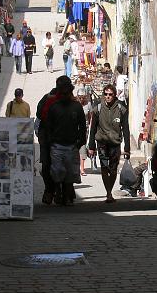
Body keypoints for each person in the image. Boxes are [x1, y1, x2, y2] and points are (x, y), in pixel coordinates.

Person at [42, 76, 87, 205]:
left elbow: (82, 126)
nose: (65, 95)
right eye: (63, 92)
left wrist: (80, 142)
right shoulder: (54, 107)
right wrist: (50, 142)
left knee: (70, 174)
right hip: (57, 145)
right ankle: (57, 192)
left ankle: (67, 196)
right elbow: (48, 126)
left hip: (72, 145)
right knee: (57, 172)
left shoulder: (76, 107)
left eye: (67, 92)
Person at [87, 84, 130, 203]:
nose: (108, 97)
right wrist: (91, 146)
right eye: (105, 94)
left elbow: (125, 128)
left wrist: (127, 147)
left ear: (114, 95)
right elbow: (93, 128)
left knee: (113, 169)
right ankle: (108, 193)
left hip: (115, 143)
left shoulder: (121, 108)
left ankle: (109, 189)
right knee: (104, 168)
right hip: (102, 143)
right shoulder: (98, 108)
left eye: (110, 94)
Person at [36, 87, 58, 204]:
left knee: (46, 166)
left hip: (45, 139)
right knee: (58, 166)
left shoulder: (46, 98)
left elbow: (38, 114)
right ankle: (56, 191)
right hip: (58, 139)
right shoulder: (64, 100)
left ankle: (49, 190)